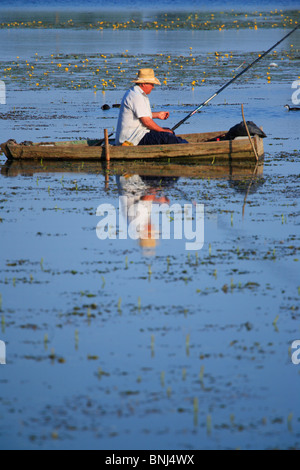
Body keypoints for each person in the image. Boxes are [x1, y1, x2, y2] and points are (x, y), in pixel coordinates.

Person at [115, 68, 188, 146]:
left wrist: (157, 115)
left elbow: (140, 114)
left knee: (168, 132)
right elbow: (146, 122)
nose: (153, 87)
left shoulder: (136, 92)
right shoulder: (136, 96)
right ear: (144, 84)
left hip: (139, 134)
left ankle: (184, 144)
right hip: (133, 139)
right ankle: (188, 146)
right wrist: (163, 131)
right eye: (151, 84)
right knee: (167, 136)